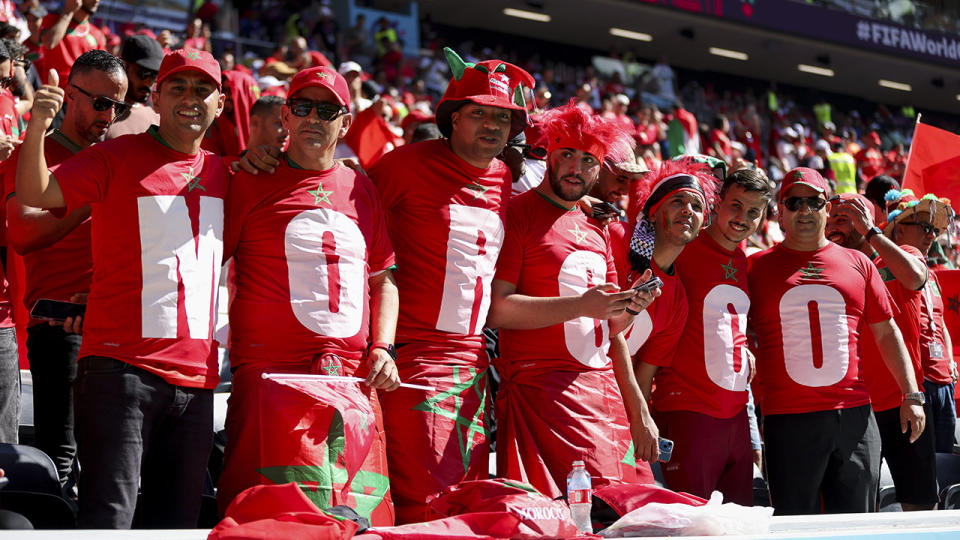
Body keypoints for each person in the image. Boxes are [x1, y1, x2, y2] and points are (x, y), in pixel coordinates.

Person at [16, 48, 227, 528]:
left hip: (197, 382)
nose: (189, 99)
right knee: (109, 523)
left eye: (202, 90)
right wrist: (37, 127)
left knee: (175, 526)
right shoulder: (113, 156)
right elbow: (36, 195)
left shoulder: (228, 175)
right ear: (155, 97)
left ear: (221, 103)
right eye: (177, 88)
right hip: (120, 371)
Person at [217, 65, 400, 515]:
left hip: (352, 383)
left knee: (357, 517)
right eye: (302, 107)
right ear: (285, 118)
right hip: (272, 384)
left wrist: (385, 347)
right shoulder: (247, 179)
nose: (313, 118)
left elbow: (384, 279)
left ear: (346, 121)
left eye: (327, 109)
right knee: (271, 517)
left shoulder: (362, 188)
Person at [366, 47, 534, 523]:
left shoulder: (505, 176)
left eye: (502, 118)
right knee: (426, 504)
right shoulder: (402, 167)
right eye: (478, 113)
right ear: (451, 119)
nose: (491, 125)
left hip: (474, 366)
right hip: (411, 359)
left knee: (463, 503)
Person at [487, 102, 659, 498]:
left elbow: (610, 330)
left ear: (600, 170)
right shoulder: (519, 214)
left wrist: (630, 310)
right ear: (549, 155)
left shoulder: (596, 228)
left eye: (588, 160)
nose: (576, 168)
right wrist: (583, 306)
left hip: (605, 399)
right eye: (566, 154)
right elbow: (497, 310)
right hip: (545, 399)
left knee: (631, 519)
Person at [747, 167, 924, 516]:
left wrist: (912, 394)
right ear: (779, 212)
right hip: (788, 419)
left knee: (858, 525)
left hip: (855, 418)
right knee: (795, 529)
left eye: (814, 202)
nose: (805, 211)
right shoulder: (754, 268)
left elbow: (888, 332)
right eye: (794, 202)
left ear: (828, 209)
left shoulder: (859, 262)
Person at [4, 49, 127, 485]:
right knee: (62, 464)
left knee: (113, 468)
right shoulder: (34, 155)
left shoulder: (113, 159)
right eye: (100, 103)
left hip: (112, 326)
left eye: (118, 106)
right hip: (60, 326)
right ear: (68, 95)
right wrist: (95, 198)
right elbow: (22, 234)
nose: (109, 115)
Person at [651, 167, 770, 506]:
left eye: (753, 212)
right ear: (717, 203)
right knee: (690, 525)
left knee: (737, 527)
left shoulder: (743, 261)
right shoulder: (682, 247)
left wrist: (750, 435)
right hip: (688, 410)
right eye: (735, 206)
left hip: (734, 413)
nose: (742, 218)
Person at [825, 192, 937, 511]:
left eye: (844, 219)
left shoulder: (900, 252)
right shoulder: (828, 265)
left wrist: (872, 234)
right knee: (856, 507)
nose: (834, 226)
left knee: (919, 506)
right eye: (830, 219)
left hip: (905, 403)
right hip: (853, 409)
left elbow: (916, 277)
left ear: (868, 220)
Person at [886, 190, 958, 452]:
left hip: (943, 380)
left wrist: (949, 360)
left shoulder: (932, 275)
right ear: (899, 230)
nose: (931, 236)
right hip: (917, 383)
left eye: (934, 231)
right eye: (924, 227)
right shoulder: (887, 268)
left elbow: (941, 324)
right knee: (922, 465)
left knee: (945, 460)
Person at [39, 0, 104, 87]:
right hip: (53, 95)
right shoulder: (50, 20)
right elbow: (49, 43)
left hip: (79, 98)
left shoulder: (97, 34)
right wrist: (68, 12)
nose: (96, 1)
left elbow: (101, 71)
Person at [105, 34, 160, 138]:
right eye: (144, 73)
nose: (148, 82)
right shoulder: (101, 111)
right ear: (123, 66)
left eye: (154, 76)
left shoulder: (156, 120)